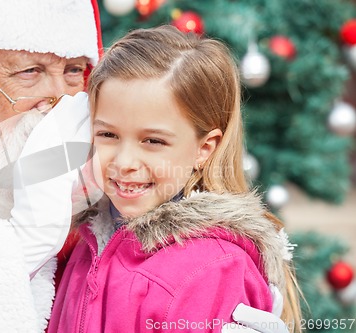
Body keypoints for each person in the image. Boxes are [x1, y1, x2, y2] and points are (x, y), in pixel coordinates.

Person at [0, 0, 293, 332]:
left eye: (73, 71)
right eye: (28, 71)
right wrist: (17, 250)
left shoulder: (110, 181)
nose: (60, 100)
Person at [47, 26, 302, 332]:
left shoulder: (211, 270)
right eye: (108, 134)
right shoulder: (88, 239)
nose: (124, 162)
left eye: (153, 141)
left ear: (204, 148)